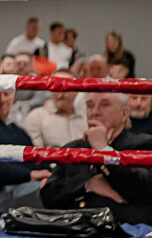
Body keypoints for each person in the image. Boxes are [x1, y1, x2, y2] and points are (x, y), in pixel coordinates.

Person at [41, 93, 152, 224]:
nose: (95, 112)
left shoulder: (144, 144)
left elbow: (143, 189)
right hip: (73, 230)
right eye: (90, 106)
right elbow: (48, 196)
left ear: (124, 113)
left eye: (105, 105)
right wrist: (88, 184)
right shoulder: (73, 148)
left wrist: (103, 150)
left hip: (123, 232)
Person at [22, 69, 87, 148]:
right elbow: (34, 156)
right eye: (56, 87)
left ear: (76, 90)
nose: (60, 93)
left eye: (66, 87)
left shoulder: (86, 118)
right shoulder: (35, 117)